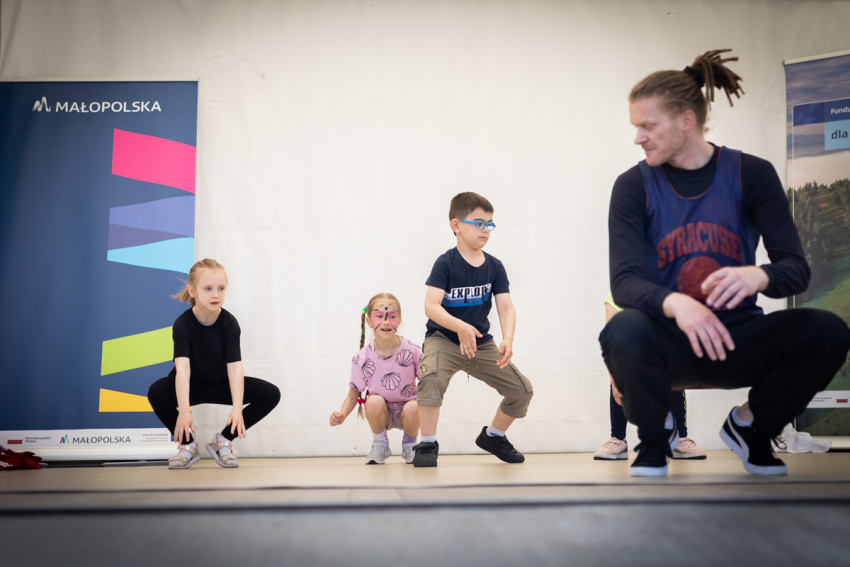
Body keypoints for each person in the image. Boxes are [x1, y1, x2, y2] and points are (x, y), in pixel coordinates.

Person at [600, 49, 850, 477]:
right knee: (622, 329)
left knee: (827, 331)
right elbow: (623, 282)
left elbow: (796, 270)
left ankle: (752, 426)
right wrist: (677, 304)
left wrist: (758, 275)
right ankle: (655, 439)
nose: (638, 138)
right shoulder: (632, 185)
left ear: (686, 120)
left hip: (737, 340)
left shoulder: (751, 174)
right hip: (668, 345)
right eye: (635, 127)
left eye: (647, 126)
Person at [414, 192, 533, 467]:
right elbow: (431, 305)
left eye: (490, 224)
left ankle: (494, 436)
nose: (486, 230)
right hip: (444, 339)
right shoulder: (446, 263)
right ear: (456, 225)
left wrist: (508, 338)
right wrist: (459, 326)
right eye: (479, 223)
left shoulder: (495, 266)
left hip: (480, 344)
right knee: (431, 380)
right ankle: (428, 443)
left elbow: (506, 307)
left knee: (522, 390)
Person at [148, 259, 281, 469]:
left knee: (271, 393)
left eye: (221, 288)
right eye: (208, 288)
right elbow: (182, 369)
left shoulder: (229, 323)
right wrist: (184, 411)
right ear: (193, 291)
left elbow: (234, 367)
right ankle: (188, 446)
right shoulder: (183, 324)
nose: (216, 295)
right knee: (157, 391)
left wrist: (237, 409)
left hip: (221, 385)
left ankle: (223, 441)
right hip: (191, 386)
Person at [594, 293, 706, 460]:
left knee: (674, 374)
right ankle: (617, 438)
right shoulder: (616, 297)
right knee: (620, 374)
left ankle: (680, 439)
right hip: (632, 356)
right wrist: (615, 381)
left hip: (662, 354)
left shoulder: (666, 290)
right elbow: (611, 343)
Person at [329, 293, 421, 464]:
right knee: (373, 402)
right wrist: (342, 414)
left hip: (407, 410)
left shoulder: (413, 351)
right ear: (369, 321)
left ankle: (410, 445)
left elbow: (428, 381)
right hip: (381, 411)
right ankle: (380, 444)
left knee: (415, 407)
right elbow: (353, 396)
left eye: (392, 316)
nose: (386, 322)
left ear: (399, 320)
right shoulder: (362, 357)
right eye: (379, 316)